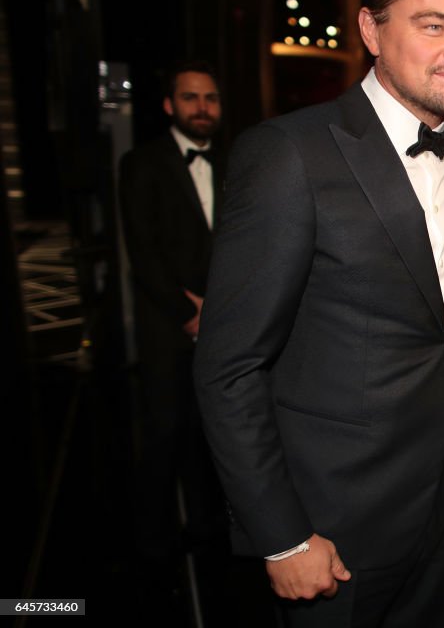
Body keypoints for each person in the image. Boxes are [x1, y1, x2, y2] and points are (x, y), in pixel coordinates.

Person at [193, 0, 444, 628]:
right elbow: (228, 367)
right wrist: (282, 535)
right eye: (433, 24)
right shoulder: (289, 154)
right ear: (370, 30)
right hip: (336, 528)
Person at [119, 59, 227, 591]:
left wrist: (224, 309)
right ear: (169, 106)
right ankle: (151, 548)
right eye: (190, 98)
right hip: (168, 325)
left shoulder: (234, 161)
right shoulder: (141, 164)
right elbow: (144, 252)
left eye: (209, 99)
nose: (202, 108)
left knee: (212, 436)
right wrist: (189, 313)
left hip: (226, 323)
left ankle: (208, 535)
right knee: (162, 435)